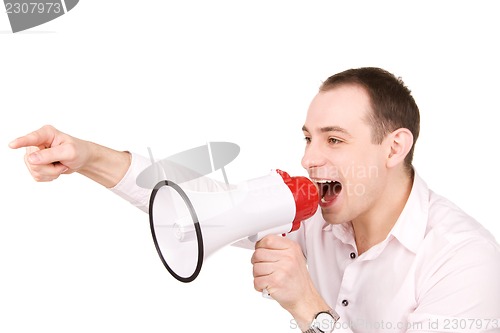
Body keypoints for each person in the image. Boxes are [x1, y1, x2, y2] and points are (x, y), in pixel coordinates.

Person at [9, 67, 500, 332]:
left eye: (334, 140)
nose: (309, 158)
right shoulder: (314, 219)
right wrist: (86, 156)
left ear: (395, 147)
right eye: (307, 138)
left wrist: (309, 309)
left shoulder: (463, 259)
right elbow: (198, 204)